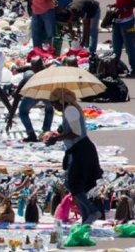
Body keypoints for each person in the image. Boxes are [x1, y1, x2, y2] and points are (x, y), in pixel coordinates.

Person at [45, 88, 103, 224]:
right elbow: (71, 128)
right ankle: (86, 217)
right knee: (75, 185)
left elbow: (76, 133)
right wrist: (58, 133)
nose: (54, 107)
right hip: (78, 150)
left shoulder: (70, 110)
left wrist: (57, 139)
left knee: (73, 184)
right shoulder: (69, 110)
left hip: (82, 150)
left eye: (55, 103)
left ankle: (92, 211)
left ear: (61, 100)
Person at [5, 57, 53, 143]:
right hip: (44, 92)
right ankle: (45, 131)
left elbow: (16, 99)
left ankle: (33, 134)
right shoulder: (45, 73)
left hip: (35, 94)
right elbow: (16, 98)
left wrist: (10, 118)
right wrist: (10, 117)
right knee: (49, 109)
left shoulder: (29, 76)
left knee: (23, 112)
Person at [109, 0, 135, 74]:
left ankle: (134, 68)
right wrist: (114, 5)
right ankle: (115, 68)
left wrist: (125, 8)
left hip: (127, 21)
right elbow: (122, 0)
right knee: (116, 47)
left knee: (129, 47)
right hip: (118, 21)